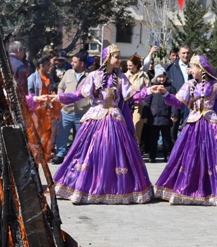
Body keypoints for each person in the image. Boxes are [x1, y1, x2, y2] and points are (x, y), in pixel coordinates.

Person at [52, 45, 154, 205]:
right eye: (116, 57)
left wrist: (149, 90)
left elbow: (133, 97)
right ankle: (83, 188)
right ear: (108, 58)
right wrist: (59, 97)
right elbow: (79, 94)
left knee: (115, 153)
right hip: (96, 117)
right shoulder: (93, 76)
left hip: (115, 119)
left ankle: (114, 189)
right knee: (89, 152)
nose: (119, 60)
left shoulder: (121, 78)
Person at [154, 56, 217, 207]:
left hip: (211, 126)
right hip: (193, 125)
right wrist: (165, 94)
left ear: (200, 69)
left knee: (214, 158)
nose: (190, 70)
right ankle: (186, 189)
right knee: (188, 157)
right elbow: (178, 102)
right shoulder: (189, 84)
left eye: (192, 67)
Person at [53, 53, 90, 165]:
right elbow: (61, 86)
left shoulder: (90, 76)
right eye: (72, 61)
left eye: (75, 62)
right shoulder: (68, 73)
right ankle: (60, 154)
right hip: (66, 111)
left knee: (80, 137)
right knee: (62, 134)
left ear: (82, 64)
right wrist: (61, 98)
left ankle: (78, 157)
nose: (72, 64)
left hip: (82, 112)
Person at [26, 53, 61, 162]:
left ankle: (46, 152)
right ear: (41, 65)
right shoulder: (32, 78)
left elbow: (53, 88)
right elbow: (30, 93)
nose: (49, 67)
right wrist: (39, 99)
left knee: (48, 131)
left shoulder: (49, 77)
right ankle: (35, 153)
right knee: (36, 130)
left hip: (48, 108)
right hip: (37, 108)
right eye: (47, 65)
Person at [141, 65, 177, 163]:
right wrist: (145, 115)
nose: (161, 79)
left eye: (163, 76)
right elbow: (147, 102)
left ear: (166, 77)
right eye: (159, 77)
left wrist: (174, 114)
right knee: (153, 139)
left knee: (166, 138)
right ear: (156, 77)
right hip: (154, 118)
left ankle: (167, 155)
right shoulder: (153, 88)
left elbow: (174, 103)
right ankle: (152, 156)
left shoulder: (170, 88)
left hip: (166, 117)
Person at [165, 46, 192, 141]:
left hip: (189, 103)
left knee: (187, 128)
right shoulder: (171, 67)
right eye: (183, 53)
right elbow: (167, 85)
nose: (186, 55)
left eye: (187, 53)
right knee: (173, 129)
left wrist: (192, 73)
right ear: (179, 54)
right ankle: (173, 152)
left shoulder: (193, 67)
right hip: (175, 102)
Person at [124, 55, 149, 143]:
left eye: (130, 65)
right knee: (125, 131)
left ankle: (136, 152)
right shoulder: (124, 76)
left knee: (135, 130)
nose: (128, 67)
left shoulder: (144, 76)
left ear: (136, 65)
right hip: (125, 106)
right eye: (127, 65)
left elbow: (148, 92)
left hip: (138, 107)